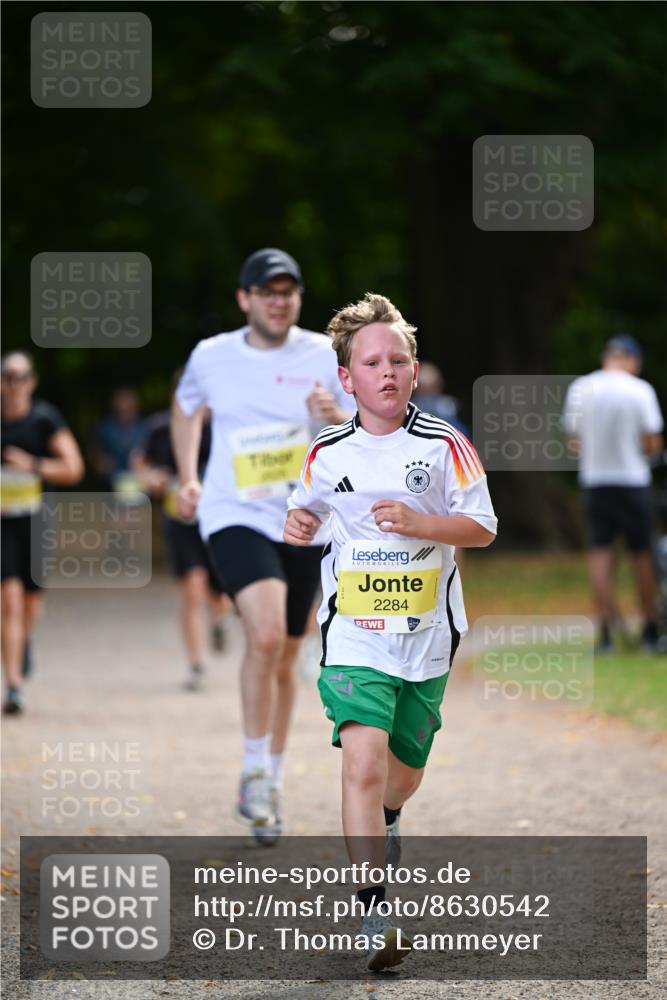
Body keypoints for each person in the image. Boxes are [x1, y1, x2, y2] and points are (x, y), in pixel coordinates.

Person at [285, 293, 497, 970]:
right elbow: (306, 513)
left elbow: (483, 526)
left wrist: (420, 524)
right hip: (354, 634)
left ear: (412, 370)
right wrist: (298, 526)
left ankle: (392, 820)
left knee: (399, 780)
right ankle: (373, 911)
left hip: (427, 636)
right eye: (371, 362)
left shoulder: (444, 444)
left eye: (397, 359)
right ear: (346, 378)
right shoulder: (324, 450)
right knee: (362, 760)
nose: (386, 371)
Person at [171, 248, 350, 843]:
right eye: (267, 291)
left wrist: (333, 415)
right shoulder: (212, 356)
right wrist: (188, 474)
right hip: (235, 512)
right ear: (245, 298)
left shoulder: (324, 355)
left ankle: (270, 780)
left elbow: (360, 431)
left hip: (304, 517)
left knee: (288, 653)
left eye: (289, 291)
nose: (279, 300)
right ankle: (252, 770)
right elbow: (185, 408)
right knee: (267, 634)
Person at [562, 335, 664, 653]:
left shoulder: (581, 388)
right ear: (631, 360)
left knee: (600, 556)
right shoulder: (640, 390)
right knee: (642, 555)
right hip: (633, 481)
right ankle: (650, 629)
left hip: (595, 482)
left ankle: (605, 633)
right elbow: (651, 441)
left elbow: (573, 443)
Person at [1, 351, 84, 714]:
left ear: (32, 381)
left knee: (31, 601)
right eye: (8, 375)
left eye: (22, 376)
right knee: (9, 599)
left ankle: (24, 641)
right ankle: (14, 686)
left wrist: (32, 465)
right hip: (2, 522)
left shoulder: (45, 420)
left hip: (36, 520)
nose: (15, 383)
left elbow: (73, 469)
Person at [132, 388, 232, 691]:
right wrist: (150, 477)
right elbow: (139, 462)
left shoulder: (224, 427)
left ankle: (218, 619)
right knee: (192, 588)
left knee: (221, 593)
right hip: (179, 520)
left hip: (219, 522)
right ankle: (197, 664)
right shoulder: (161, 427)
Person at [91, 387, 145, 491]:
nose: (123, 413)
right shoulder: (105, 427)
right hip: (109, 485)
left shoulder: (144, 427)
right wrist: (100, 461)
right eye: (120, 410)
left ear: (135, 408)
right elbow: (94, 452)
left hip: (139, 484)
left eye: (127, 409)